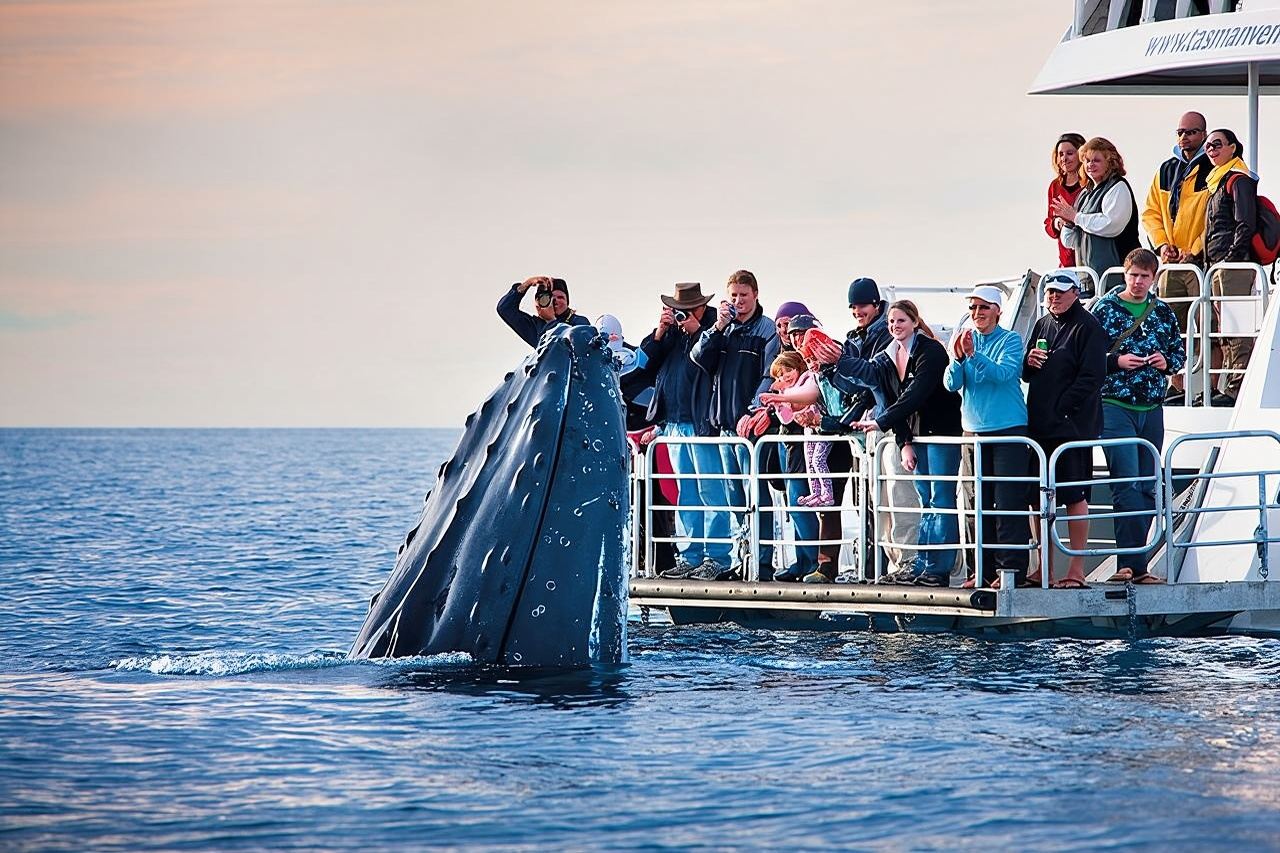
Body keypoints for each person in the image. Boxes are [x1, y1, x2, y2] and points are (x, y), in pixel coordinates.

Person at [840, 301, 963, 587]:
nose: (896, 326)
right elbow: (892, 396)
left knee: (941, 498)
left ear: (915, 322)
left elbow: (915, 394)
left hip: (941, 431)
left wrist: (881, 422)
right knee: (925, 498)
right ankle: (923, 562)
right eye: (892, 322)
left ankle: (939, 565)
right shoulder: (888, 357)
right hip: (918, 434)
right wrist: (904, 440)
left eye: (902, 321)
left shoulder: (929, 351)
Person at [806, 277, 914, 583]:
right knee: (877, 502)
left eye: (862, 305)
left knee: (899, 496)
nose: (857, 311)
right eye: (853, 306)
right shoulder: (855, 338)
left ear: (877, 305)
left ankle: (906, 562)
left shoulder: (883, 339)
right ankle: (890, 566)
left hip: (891, 425)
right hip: (873, 428)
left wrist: (838, 363)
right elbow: (855, 386)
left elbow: (874, 379)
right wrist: (829, 369)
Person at [1091, 248, 1186, 585]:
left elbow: (1179, 351)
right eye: (1134, 275)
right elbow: (1084, 355)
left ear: (1154, 277)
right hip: (1115, 404)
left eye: (1145, 276)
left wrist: (1167, 363)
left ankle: (1137, 565)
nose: (1139, 282)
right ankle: (1129, 565)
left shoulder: (1162, 312)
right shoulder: (1104, 308)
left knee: (1146, 487)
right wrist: (1114, 362)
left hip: (1152, 407)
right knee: (1126, 484)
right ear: (1124, 273)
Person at [690, 270, 780, 581]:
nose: (738, 301)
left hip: (751, 430)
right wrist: (716, 327)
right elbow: (698, 357)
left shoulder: (767, 331)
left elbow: (769, 375)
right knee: (733, 496)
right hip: (723, 428)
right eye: (733, 296)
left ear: (755, 294)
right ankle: (743, 556)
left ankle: (763, 559)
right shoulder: (722, 329)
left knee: (757, 494)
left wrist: (752, 410)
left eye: (743, 295)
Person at [1023, 269, 1108, 589]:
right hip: (1040, 425)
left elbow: (1093, 377)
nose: (1053, 297)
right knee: (1036, 498)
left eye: (1060, 291)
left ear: (1076, 293)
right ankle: (1042, 566)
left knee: (1075, 494)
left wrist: (1062, 407)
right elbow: (1028, 374)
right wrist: (1028, 362)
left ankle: (1076, 568)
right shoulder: (1042, 323)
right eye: (1049, 292)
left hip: (1073, 428)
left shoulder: (1089, 327)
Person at [944, 285, 1032, 589]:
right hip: (973, 432)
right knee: (974, 505)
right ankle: (979, 571)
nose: (977, 314)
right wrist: (957, 359)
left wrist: (972, 356)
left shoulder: (1011, 340)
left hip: (1008, 431)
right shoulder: (964, 341)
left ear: (997, 310)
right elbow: (950, 384)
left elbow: (1003, 374)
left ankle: (1010, 572)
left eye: (983, 307)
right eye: (973, 308)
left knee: (1007, 503)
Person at [637, 282, 724, 579]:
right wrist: (659, 333)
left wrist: (697, 330)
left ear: (700, 307)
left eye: (687, 310)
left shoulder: (714, 329)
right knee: (686, 492)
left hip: (701, 424)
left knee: (710, 489)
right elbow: (643, 366)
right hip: (673, 424)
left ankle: (717, 556)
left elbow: (711, 358)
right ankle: (690, 555)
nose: (681, 315)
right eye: (678, 310)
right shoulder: (670, 336)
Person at [1142, 112, 1213, 399]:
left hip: (1202, 263)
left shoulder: (1214, 166)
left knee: (1211, 327)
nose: (1185, 137)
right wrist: (1162, 245)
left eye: (1192, 132)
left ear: (1204, 134)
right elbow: (1151, 212)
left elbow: (1214, 216)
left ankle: (1211, 387)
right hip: (1171, 264)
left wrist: (1193, 249)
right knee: (1173, 328)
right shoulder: (1167, 169)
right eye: (1180, 132)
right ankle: (1177, 386)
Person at [1199, 127, 1260, 403]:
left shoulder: (1238, 179)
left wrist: (1231, 258)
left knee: (1237, 329)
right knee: (1224, 330)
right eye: (1209, 146)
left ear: (1233, 148)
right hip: (1218, 265)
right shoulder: (1217, 181)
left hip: (1233, 265)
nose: (1211, 150)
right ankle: (1229, 386)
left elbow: (1245, 222)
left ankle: (1237, 389)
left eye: (1217, 145)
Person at [1052, 137, 1141, 286]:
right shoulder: (1085, 194)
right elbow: (1071, 242)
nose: (1090, 165)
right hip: (1088, 279)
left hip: (1116, 278)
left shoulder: (1118, 187)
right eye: (1087, 161)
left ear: (1110, 162)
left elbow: (1111, 225)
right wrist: (1068, 222)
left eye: (1096, 160)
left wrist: (1075, 217)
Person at [496, 276, 590, 347]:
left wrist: (551, 320)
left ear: (567, 302)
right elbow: (504, 309)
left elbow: (564, 348)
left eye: (560, 297)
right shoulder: (535, 326)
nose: (555, 301)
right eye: (550, 297)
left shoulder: (580, 322)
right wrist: (527, 284)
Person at [1045, 132, 1086, 268]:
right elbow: (1048, 223)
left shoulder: (1089, 184)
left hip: (1087, 258)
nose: (1064, 158)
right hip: (1065, 261)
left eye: (1070, 153)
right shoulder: (1055, 186)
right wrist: (1057, 223)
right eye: (1061, 154)